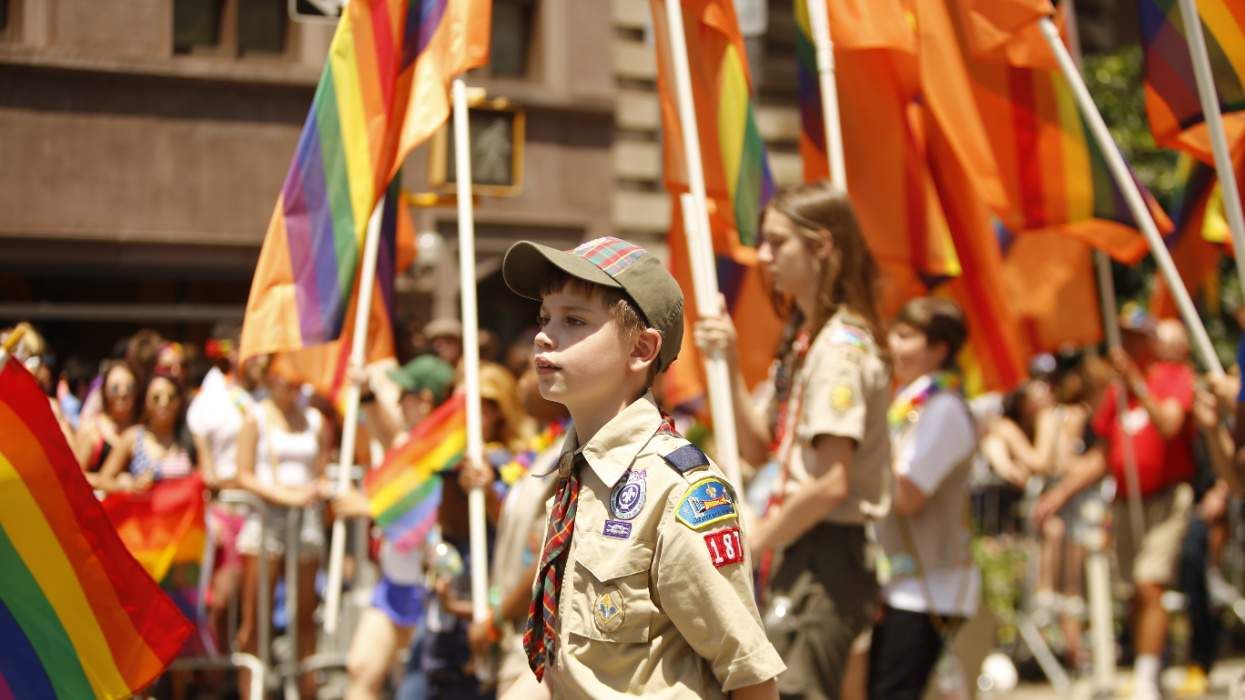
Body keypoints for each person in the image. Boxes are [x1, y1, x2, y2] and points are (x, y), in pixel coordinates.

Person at [500, 235, 785, 698]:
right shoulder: (577, 477)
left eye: (573, 320)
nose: (544, 335)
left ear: (641, 349)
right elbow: (562, 668)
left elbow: (749, 674)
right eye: (544, 317)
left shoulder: (677, 491)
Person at [695, 181, 890, 699]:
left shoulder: (841, 349)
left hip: (823, 552)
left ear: (822, 246)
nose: (764, 256)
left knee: (799, 693)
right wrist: (731, 363)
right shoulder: (806, 339)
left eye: (778, 243)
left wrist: (753, 540)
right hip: (794, 542)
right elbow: (761, 450)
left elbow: (829, 484)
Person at [1035, 312, 1197, 700]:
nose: (1125, 343)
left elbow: (1169, 425)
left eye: (1134, 337)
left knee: (1149, 582)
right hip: (1126, 501)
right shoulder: (1113, 394)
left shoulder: (1174, 378)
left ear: (1151, 341)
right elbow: (1103, 454)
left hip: (1166, 497)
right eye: (1122, 336)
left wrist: (1137, 384)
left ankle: (1144, 677)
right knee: (1133, 591)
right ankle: (1148, 667)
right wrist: (1059, 494)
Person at [868, 297, 980, 700]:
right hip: (902, 585)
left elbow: (908, 496)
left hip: (929, 589)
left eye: (906, 336)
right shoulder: (910, 404)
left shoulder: (944, 408)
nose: (892, 346)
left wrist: (862, 450)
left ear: (939, 349)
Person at [233, 355, 331, 700]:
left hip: (304, 522)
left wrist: (316, 489)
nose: (292, 389)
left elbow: (322, 469)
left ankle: (306, 692)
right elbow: (242, 473)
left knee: (304, 615)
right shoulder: (256, 418)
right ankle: (251, 693)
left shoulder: (315, 420)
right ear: (271, 380)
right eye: (286, 381)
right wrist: (280, 495)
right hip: (266, 520)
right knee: (255, 619)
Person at [187, 328, 267, 654]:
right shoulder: (210, 399)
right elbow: (205, 468)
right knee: (219, 602)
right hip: (226, 513)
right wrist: (237, 482)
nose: (260, 359)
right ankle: (214, 680)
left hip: (263, 516)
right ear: (232, 352)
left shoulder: (268, 399)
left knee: (253, 608)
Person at [95, 369, 199, 493]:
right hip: (143, 510)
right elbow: (103, 480)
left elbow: (204, 478)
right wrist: (129, 485)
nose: (164, 403)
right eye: (156, 398)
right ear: (146, 401)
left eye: (170, 398)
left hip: (183, 511)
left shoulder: (189, 437)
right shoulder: (133, 437)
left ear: (178, 402)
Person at [75, 360, 140, 476]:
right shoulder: (91, 428)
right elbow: (75, 477)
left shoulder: (145, 429)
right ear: (104, 391)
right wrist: (112, 484)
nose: (122, 393)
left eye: (129, 387)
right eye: (115, 388)